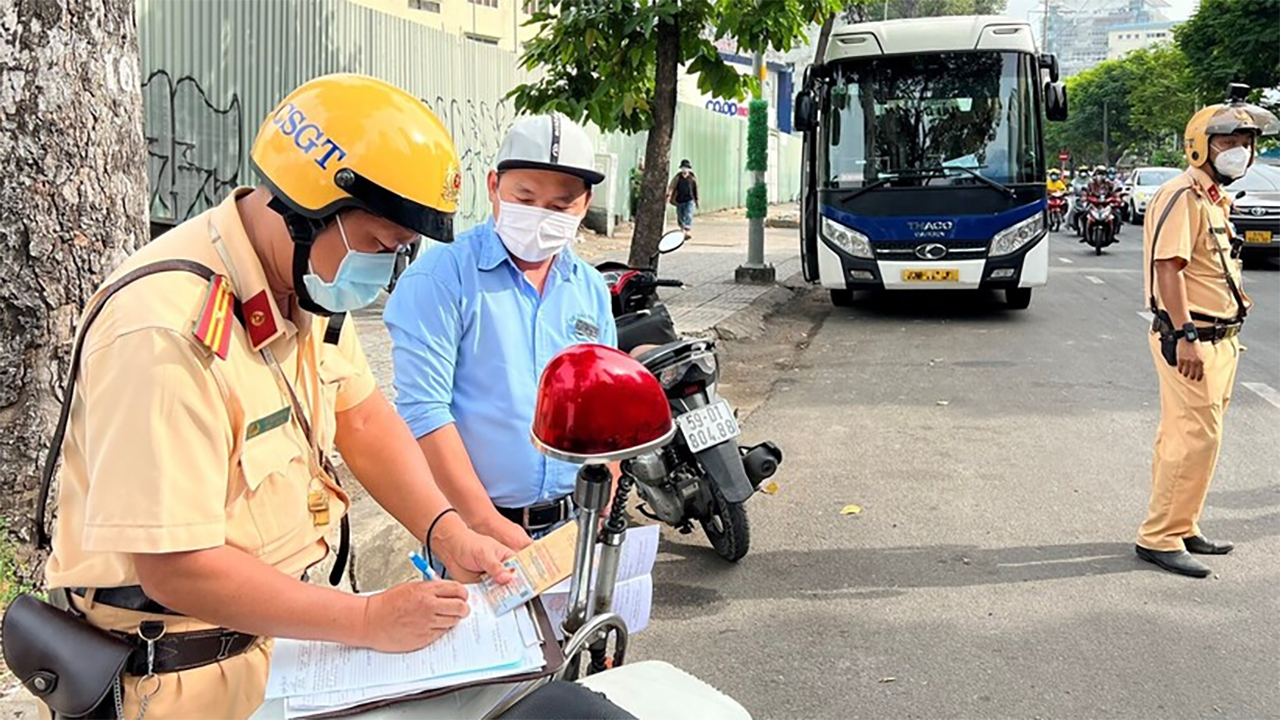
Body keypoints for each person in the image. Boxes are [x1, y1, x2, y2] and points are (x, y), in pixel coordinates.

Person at [37, 74, 516, 719]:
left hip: (278, 648)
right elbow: (176, 568)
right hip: (175, 681)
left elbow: (363, 418)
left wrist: (447, 532)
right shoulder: (164, 333)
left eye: (401, 253)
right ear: (307, 208)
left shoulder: (300, 283)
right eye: (380, 247)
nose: (384, 276)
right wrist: (367, 618)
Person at [384, 114, 617, 555]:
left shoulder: (588, 287)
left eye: (559, 207)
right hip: (477, 533)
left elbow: (602, 397)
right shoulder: (441, 278)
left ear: (585, 204)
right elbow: (423, 411)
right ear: (493, 186)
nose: (539, 216)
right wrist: (482, 522)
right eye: (524, 197)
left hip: (574, 524)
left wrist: (610, 478)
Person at [1136, 88, 1278, 578]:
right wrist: (1186, 335)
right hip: (1192, 338)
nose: (1241, 150)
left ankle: (1182, 524)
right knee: (1193, 438)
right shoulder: (1183, 195)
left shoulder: (1213, 197)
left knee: (1193, 437)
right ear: (1201, 145)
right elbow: (1168, 269)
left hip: (1221, 338)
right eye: (1229, 141)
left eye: (1248, 141)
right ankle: (1159, 537)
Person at [668, 159, 699, 238]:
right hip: (679, 200)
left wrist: (696, 200)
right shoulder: (677, 178)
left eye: (686, 168)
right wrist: (669, 195)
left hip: (689, 199)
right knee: (680, 216)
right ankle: (682, 230)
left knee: (688, 214)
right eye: (683, 168)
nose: (684, 170)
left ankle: (687, 230)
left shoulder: (692, 178)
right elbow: (672, 186)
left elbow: (695, 189)